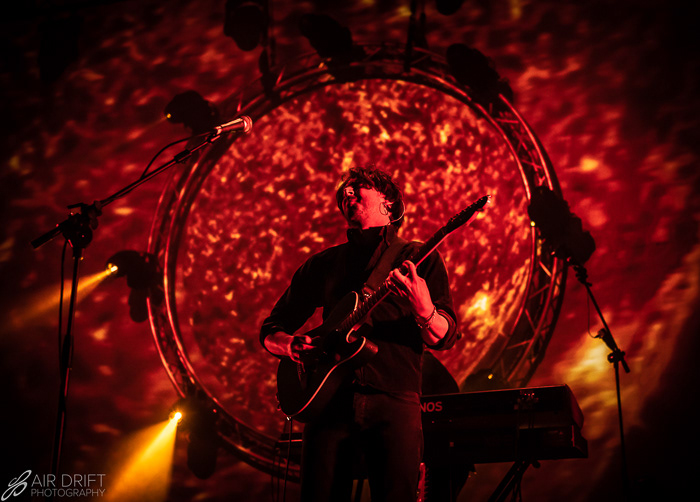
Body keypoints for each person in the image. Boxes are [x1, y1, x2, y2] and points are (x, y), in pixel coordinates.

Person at [260, 166, 460, 502]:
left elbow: (445, 337)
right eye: (344, 192)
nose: (347, 193)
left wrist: (424, 308)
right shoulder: (322, 264)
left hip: (394, 399)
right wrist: (289, 345)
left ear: (389, 203)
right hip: (328, 402)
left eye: (358, 187)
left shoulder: (417, 257)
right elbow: (272, 328)